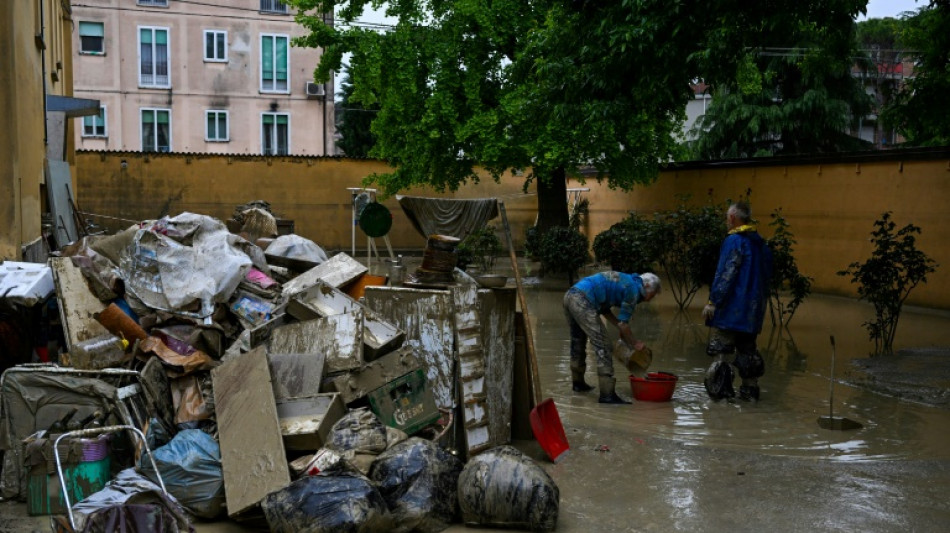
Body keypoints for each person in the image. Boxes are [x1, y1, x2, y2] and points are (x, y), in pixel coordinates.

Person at [702, 201, 773, 401]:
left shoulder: (734, 241)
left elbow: (726, 273)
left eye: (727, 218)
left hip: (732, 308)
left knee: (721, 350)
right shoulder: (760, 244)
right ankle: (750, 394)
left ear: (732, 218)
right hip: (753, 312)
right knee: (748, 350)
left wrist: (713, 301)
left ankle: (721, 397)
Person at [563, 271, 661, 404]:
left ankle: (578, 384)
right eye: (652, 295)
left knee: (578, 341)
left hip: (570, 296)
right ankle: (607, 395)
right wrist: (635, 343)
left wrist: (620, 327)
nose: (650, 299)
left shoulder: (628, 282)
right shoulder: (633, 290)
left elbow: (606, 310)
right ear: (647, 286)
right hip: (582, 300)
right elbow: (623, 325)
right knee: (604, 345)